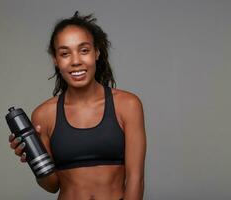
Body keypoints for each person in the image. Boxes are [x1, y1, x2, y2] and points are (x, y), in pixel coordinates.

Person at [9, 11, 146, 200]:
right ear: (56, 60)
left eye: (84, 50)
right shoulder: (44, 115)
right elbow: (51, 186)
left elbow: (135, 179)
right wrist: (34, 158)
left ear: (96, 52)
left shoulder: (127, 105)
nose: (75, 61)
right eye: (65, 53)